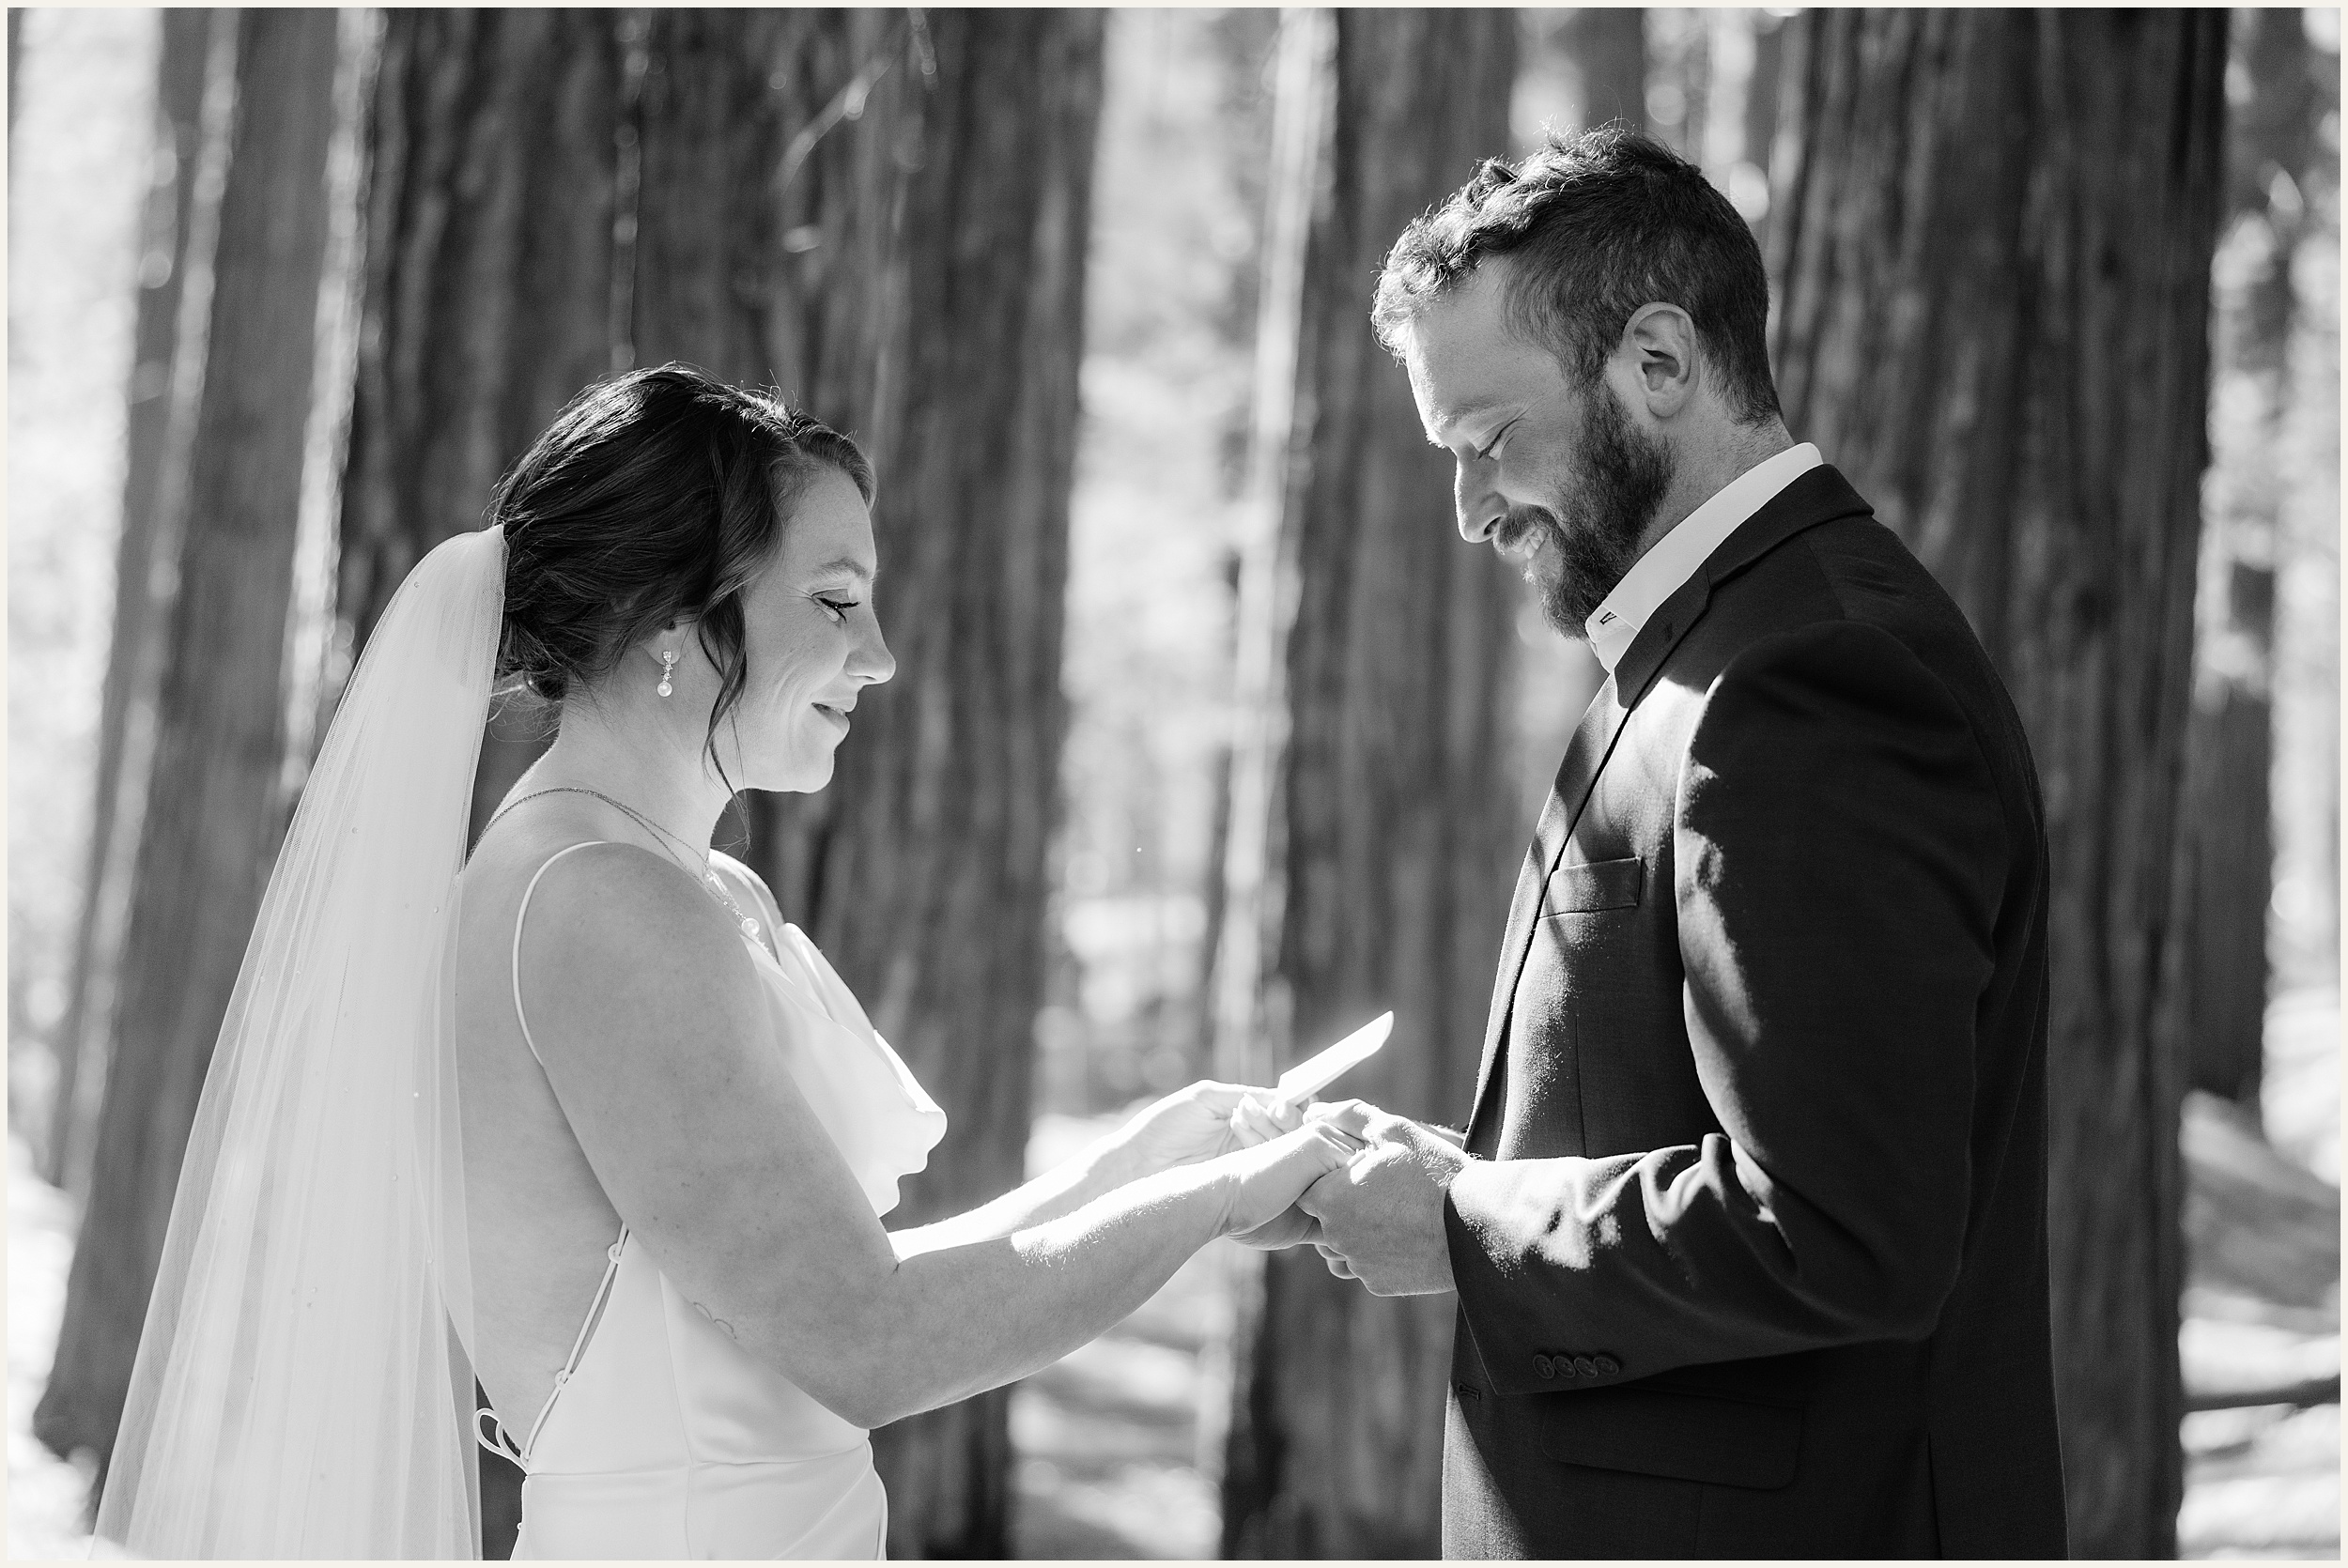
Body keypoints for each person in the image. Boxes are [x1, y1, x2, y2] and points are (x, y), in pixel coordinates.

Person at [97, 364, 1351, 1560]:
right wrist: (1215, 1204)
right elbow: (869, 1338)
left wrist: (1159, 1155)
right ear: (676, 625)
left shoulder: (676, 885)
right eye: (836, 600)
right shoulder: (595, 903)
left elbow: (842, 1281)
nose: (881, 656)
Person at [1298, 129, 2069, 1557]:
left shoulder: (1801, 682)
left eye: (1487, 442)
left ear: (1659, 362)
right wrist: (1462, 1172)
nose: (1468, 511)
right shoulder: (1719, 651)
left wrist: (1470, 1231)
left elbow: (1841, 1226)